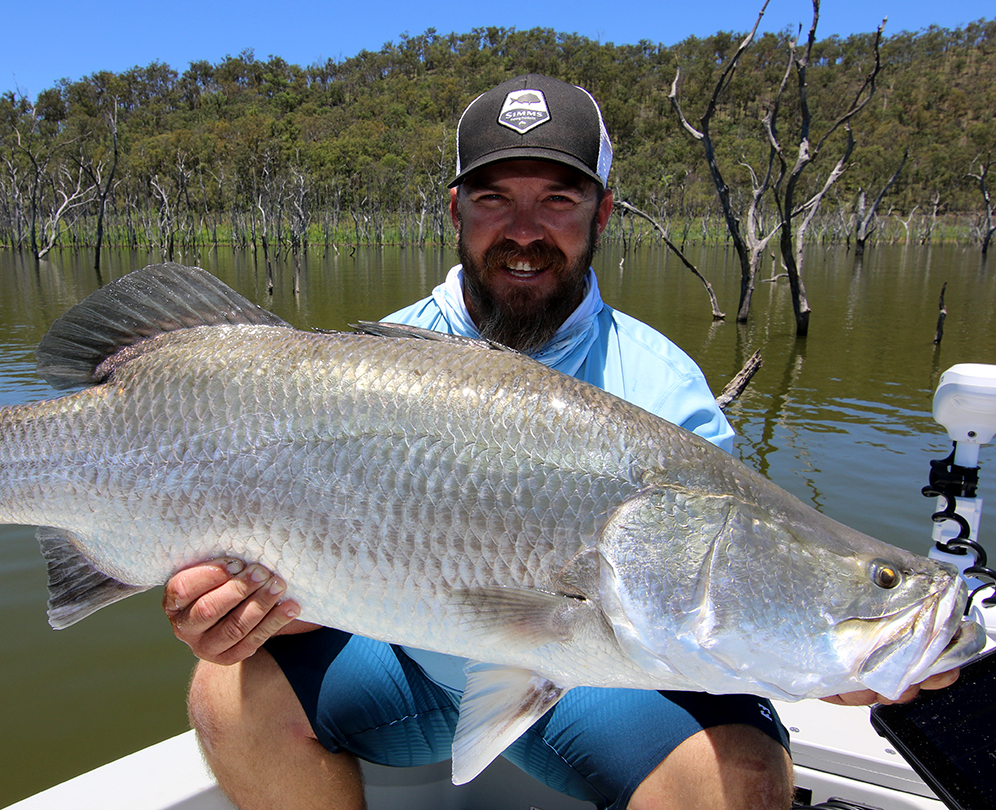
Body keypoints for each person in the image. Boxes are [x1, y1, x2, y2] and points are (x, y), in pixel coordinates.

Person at [162, 74, 959, 810]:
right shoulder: (376, 364)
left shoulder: (663, 392)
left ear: (602, 214)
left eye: (557, 200)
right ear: (456, 212)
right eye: (495, 199)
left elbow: (729, 594)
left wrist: (831, 663)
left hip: (601, 684)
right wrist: (248, 612)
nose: (524, 231)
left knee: (743, 783)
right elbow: (325, 583)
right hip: (409, 654)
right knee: (224, 691)